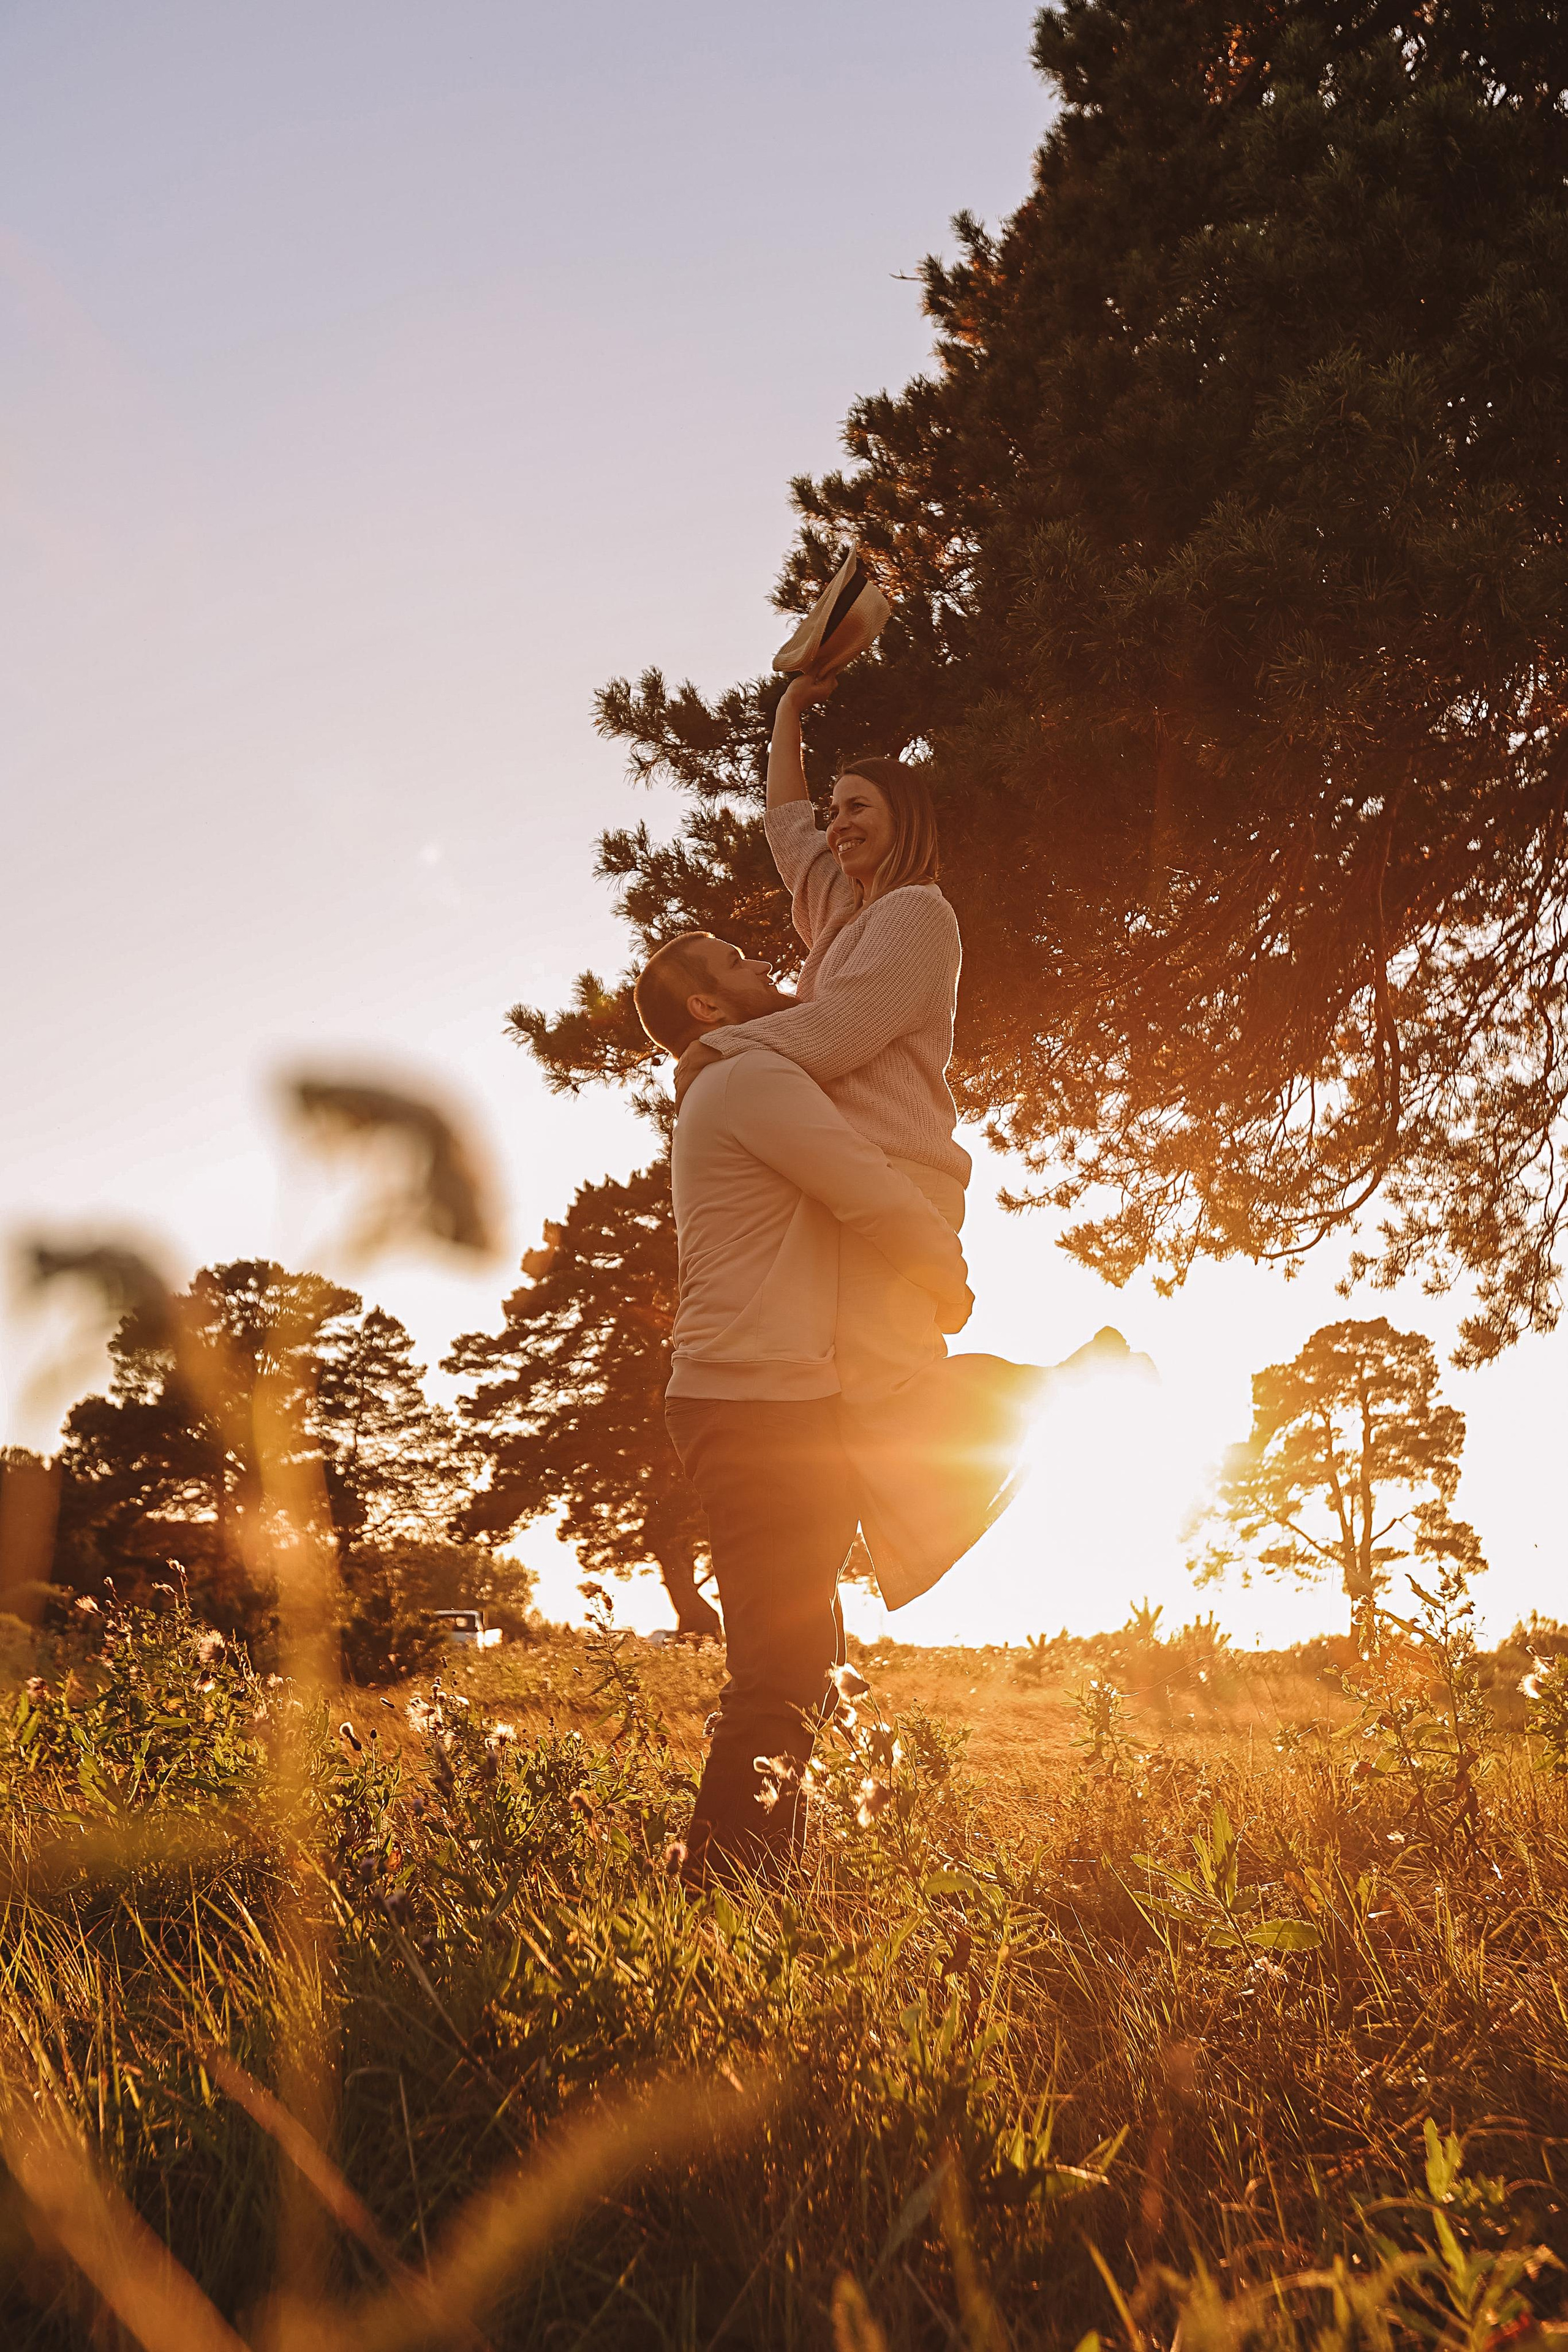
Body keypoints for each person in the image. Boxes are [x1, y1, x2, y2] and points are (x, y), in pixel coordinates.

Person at [632, 928, 972, 1880]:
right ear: (707, 1005)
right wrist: (947, 1279)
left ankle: (760, 1878)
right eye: (739, 964)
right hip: (755, 1411)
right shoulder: (749, 1081)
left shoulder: (730, 1077)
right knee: (779, 1676)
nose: (766, 972)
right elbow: (867, 1192)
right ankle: (721, 1896)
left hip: (772, 1404)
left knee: (810, 1665)